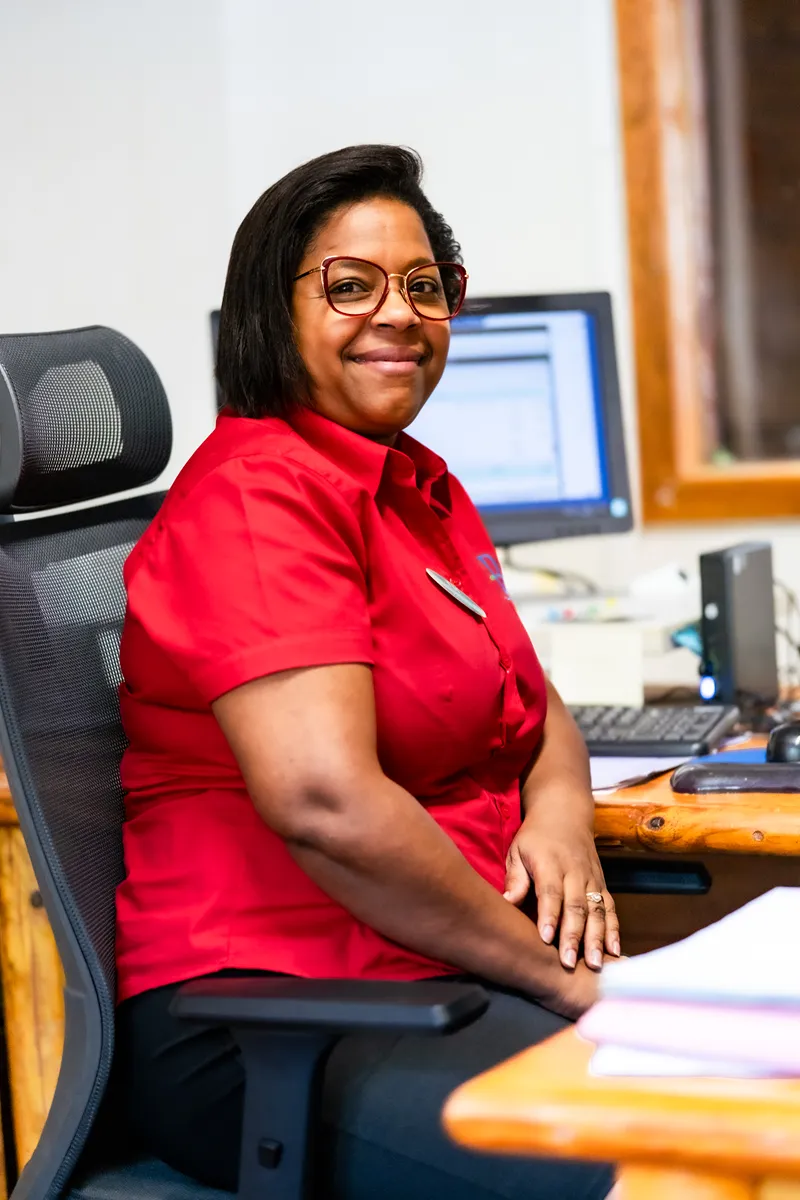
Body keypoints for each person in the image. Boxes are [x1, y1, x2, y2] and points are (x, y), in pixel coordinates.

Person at [114, 144, 618, 1200]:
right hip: (270, 1024)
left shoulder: (410, 485)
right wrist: (561, 978)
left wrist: (558, 813)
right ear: (269, 309)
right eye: (350, 285)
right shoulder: (256, 501)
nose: (397, 314)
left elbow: (531, 703)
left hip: (434, 976)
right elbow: (325, 802)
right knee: (672, 1164)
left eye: (423, 286)